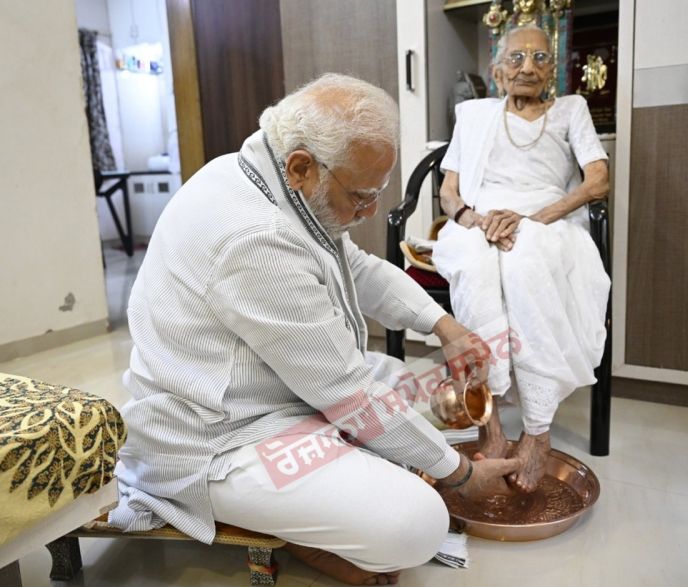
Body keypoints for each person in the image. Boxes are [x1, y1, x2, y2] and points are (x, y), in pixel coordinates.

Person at [108, 73, 518, 586]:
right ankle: (282, 524)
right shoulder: (254, 237)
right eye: (363, 194)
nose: (370, 210)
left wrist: (444, 325)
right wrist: (460, 476)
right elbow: (348, 394)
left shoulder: (270, 180)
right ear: (302, 166)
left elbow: (360, 269)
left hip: (274, 391)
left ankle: (312, 513)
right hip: (218, 439)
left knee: (415, 391)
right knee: (419, 523)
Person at [432, 24, 611, 493]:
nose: (527, 67)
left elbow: (597, 182)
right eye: (516, 58)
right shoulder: (473, 115)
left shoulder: (572, 109)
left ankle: (537, 428)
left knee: (524, 265)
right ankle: (487, 420)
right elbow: (448, 192)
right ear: (496, 70)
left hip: (545, 220)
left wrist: (531, 218)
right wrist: (473, 219)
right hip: (479, 218)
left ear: (553, 68)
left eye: (539, 58)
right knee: (474, 268)